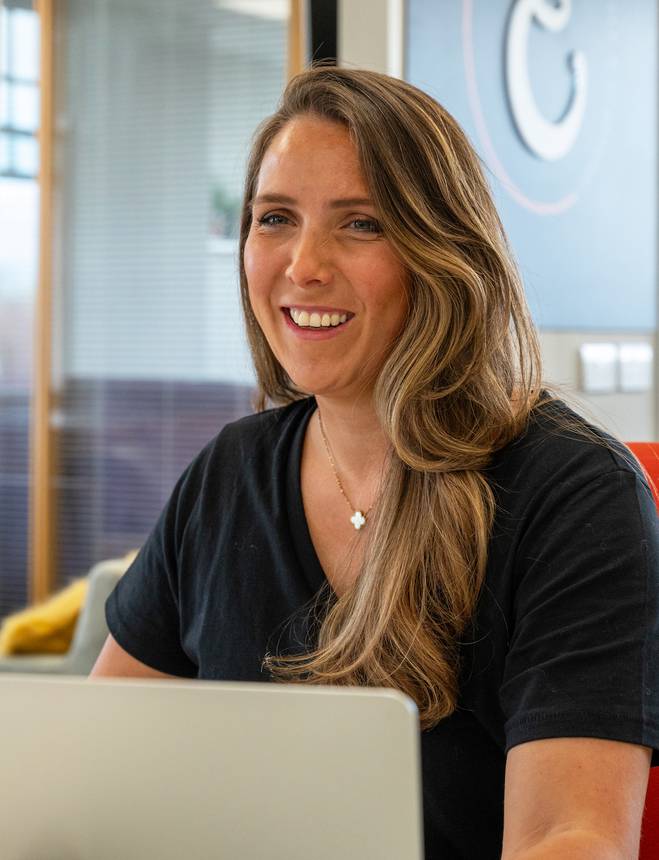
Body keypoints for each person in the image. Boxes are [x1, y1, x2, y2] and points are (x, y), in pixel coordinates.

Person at [91, 66, 658, 859]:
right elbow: (95, 768)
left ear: (442, 252)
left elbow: (572, 838)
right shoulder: (229, 473)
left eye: (360, 224)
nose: (303, 265)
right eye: (274, 218)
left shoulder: (572, 494)